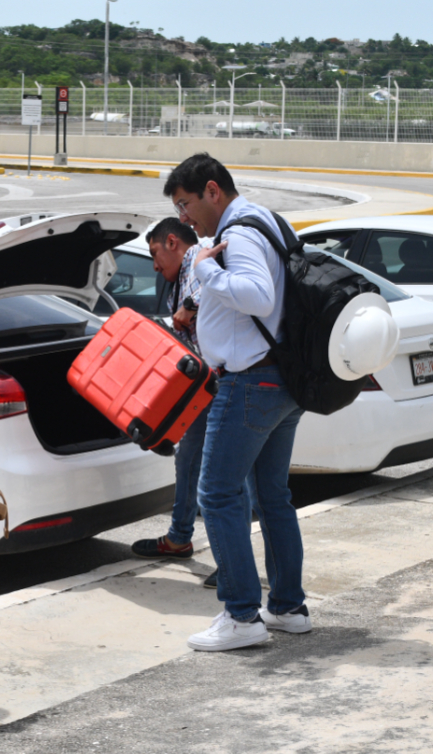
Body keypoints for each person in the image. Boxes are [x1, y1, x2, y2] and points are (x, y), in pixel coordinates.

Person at [165, 153, 311, 652]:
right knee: (272, 496)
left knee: (218, 495)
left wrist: (204, 271)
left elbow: (257, 296)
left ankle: (242, 616)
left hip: (249, 382)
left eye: (186, 204)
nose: (184, 217)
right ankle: (288, 607)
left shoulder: (240, 231)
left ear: (212, 190)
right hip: (280, 380)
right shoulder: (267, 219)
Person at [129, 217, 220, 590]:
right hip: (204, 387)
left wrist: (189, 305)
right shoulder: (177, 275)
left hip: (227, 383)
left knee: (226, 478)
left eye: (154, 254)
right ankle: (180, 538)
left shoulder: (200, 257)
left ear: (172, 242)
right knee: (188, 460)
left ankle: (232, 558)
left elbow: (223, 284)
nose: (153, 265)